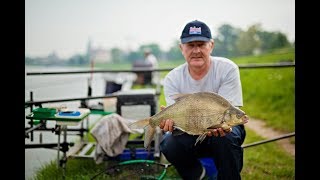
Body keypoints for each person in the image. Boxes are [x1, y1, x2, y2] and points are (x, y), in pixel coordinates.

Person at [159, 20, 248, 180]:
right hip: (188, 127)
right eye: (190, 45)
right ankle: (198, 174)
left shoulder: (227, 68)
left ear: (211, 45)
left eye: (201, 44)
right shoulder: (172, 78)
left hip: (222, 128)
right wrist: (168, 122)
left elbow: (228, 111)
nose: (196, 50)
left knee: (226, 137)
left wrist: (219, 123)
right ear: (181, 48)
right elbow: (175, 119)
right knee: (168, 142)